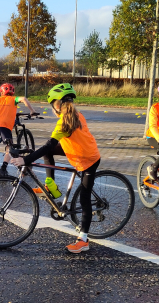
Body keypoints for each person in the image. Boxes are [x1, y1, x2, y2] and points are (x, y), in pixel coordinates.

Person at [9, 83, 101, 254]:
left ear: (57, 105)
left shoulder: (64, 123)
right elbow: (55, 145)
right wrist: (30, 155)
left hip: (88, 159)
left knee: (84, 199)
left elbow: (48, 144)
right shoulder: (76, 115)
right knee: (47, 152)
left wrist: (26, 159)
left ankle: (83, 240)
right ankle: (51, 186)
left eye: (52, 105)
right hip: (77, 152)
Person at [0, 82, 36, 177]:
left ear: (1, 92)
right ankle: (3, 168)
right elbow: (24, 99)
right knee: (10, 147)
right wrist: (32, 111)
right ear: (12, 92)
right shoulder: (14, 99)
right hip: (4, 124)